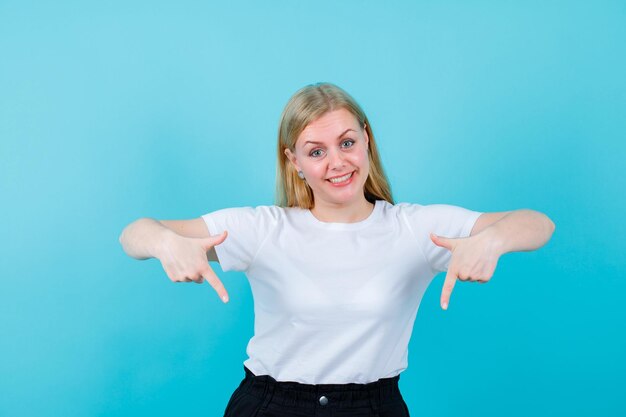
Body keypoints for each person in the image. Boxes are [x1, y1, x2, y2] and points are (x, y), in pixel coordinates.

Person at [119, 82, 555, 417]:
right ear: (295, 162)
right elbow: (134, 233)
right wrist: (165, 243)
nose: (337, 163)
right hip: (270, 404)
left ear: (366, 139)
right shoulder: (262, 228)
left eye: (346, 142)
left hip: (373, 406)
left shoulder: (415, 228)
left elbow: (539, 224)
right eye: (316, 151)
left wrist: (492, 240)